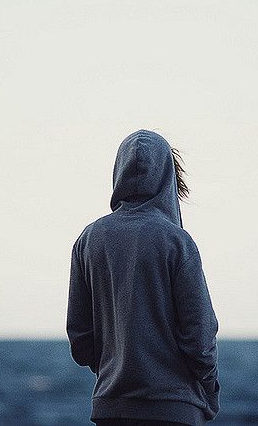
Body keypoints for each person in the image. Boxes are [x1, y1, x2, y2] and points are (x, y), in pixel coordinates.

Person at [66, 129, 220, 426]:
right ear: (168, 180)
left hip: (110, 410)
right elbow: (199, 335)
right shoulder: (177, 241)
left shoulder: (88, 239)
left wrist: (119, 369)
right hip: (174, 411)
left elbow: (81, 339)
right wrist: (209, 388)